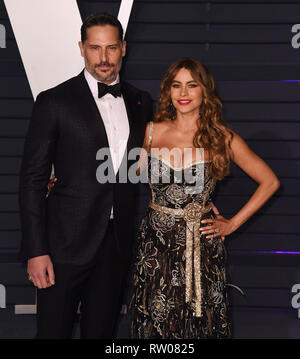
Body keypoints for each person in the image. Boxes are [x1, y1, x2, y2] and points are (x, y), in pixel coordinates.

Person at [19, 13, 153, 339]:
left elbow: (151, 165)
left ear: (123, 48)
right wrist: (36, 251)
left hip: (116, 244)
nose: (103, 58)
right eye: (95, 48)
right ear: (81, 48)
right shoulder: (54, 101)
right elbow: (33, 180)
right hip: (63, 245)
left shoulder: (140, 101)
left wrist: (199, 199)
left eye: (110, 48)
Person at [129, 58, 280, 339]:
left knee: (203, 325)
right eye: (176, 86)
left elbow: (270, 182)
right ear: (168, 91)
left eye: (191, 85)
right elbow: (119, 177)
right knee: (155, 323)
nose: (183, 94)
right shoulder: (150, 132)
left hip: (202, 249)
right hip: (155, 248)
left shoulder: (222, 137)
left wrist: (233, 223)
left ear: (204, 91)